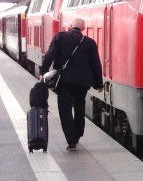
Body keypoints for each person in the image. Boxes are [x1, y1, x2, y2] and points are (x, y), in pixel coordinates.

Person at [40, 18, 103, 151]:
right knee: (80, 108)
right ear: (83, 29)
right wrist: (99, 83)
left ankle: (71, 141)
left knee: (65, 110)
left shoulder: (60, 37)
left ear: (70, 26)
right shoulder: (90, 42)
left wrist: (43, 72)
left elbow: (49, 55)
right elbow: (96, 64)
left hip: (65, 81)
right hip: (82, 83)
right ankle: (78, 134)